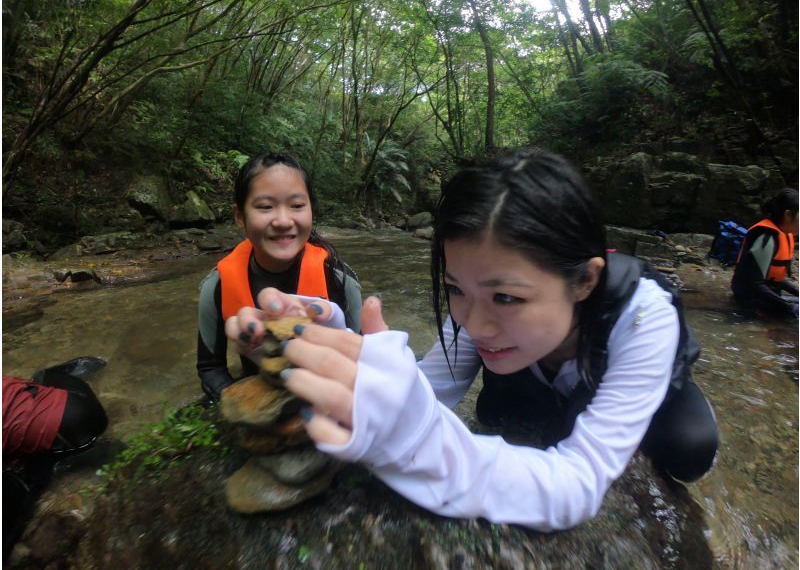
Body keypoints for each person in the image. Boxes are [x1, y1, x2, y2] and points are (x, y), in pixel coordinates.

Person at [225, 147, 719, 531]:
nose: (474, 324)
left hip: (619, 373)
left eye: (505, 297)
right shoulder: (474, 309)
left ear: (585, 281)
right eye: (454, 289)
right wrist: (327, 337)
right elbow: (421, 391)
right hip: (537, 377)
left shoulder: (643, 317)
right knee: (501, 418)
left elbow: (578, 483)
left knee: (688, 446)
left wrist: (423, 447)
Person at [197, 152, 362, 402]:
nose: (284, 221)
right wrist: (242, 403)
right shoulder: (216, 287)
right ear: (239, 215)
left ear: (311, 211)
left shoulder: (341, 281)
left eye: (297, 206)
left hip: (328, 397)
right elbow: (211, 368)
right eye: (265, 207)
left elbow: (366, 362)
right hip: (261, 391)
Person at [3, 364, 108, 556]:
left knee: (23, 480)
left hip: (75, 427)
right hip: (78, 410)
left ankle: (48, 376)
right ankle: (47, 376)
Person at [731, 188, 798, 318]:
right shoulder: (767, 237)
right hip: (751, 298)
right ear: (788, 214)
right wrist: (790, 308)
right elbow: (756, 284)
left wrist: (797, 292)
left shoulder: (783, 234)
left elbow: (772, 276)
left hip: (766, 295)